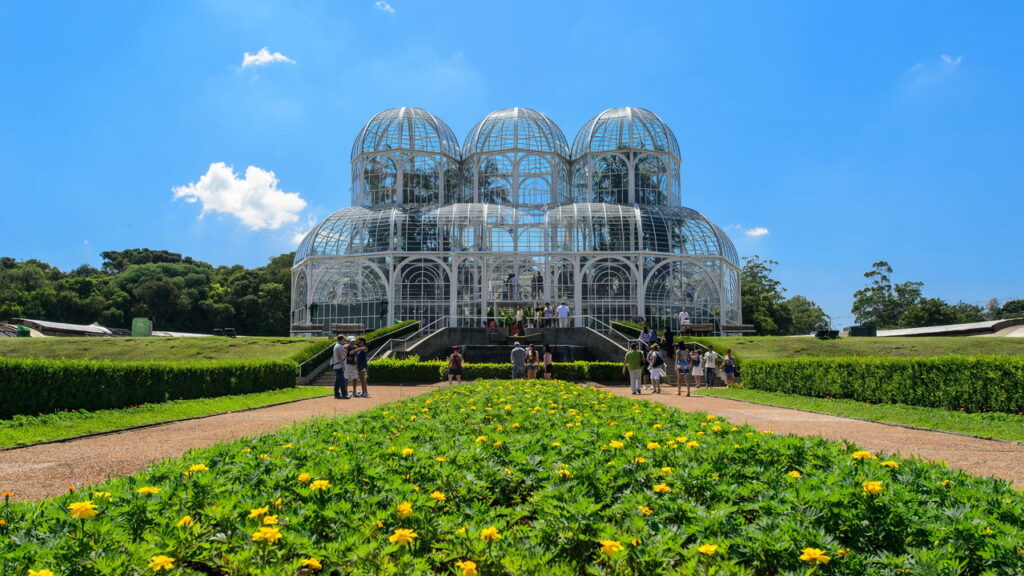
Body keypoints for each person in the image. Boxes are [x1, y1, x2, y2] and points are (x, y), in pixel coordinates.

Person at [331, 335, 350, 400]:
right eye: (343, 339)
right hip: (339, 366)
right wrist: (343, 365)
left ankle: (337, 394)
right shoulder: (338, 346)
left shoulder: (338, 345)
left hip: (338, 366)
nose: (344, 340)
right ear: (341, 339)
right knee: (341, 381)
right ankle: (343, 394)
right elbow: (339, 357)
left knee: (338, 381)